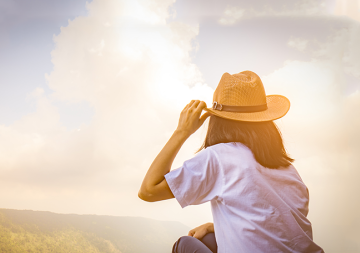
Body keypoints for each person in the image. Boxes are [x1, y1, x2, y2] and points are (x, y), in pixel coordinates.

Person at [138, 71, 324, 253]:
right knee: (209, 238)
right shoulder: (289, 169)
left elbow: (149, 190)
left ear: (217, 119)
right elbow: (278, 226)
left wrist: (182, 132)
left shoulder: (220, 157)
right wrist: (216, 227)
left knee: (184, 244)